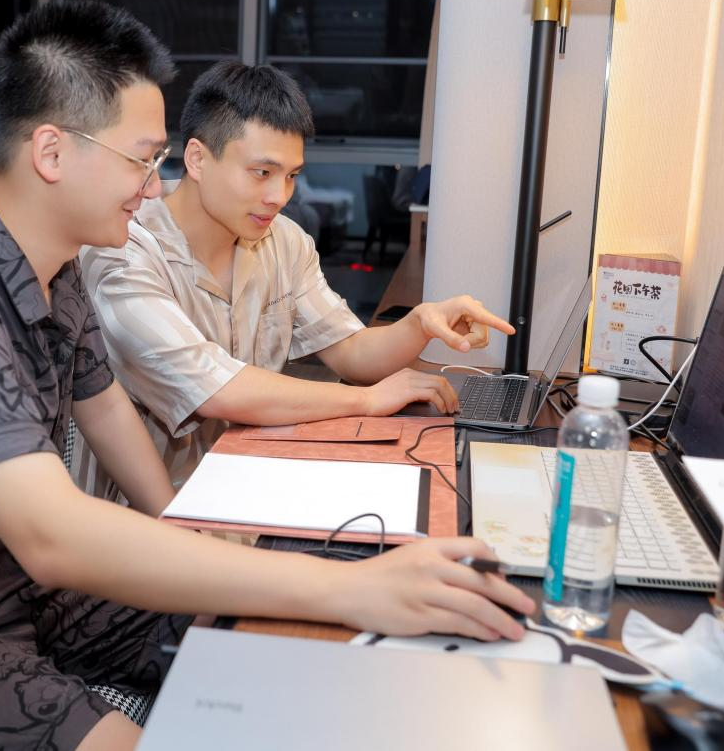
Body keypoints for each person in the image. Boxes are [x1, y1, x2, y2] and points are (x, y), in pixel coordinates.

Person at [0, 1, 533, 751]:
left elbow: (108, 412)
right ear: (52, 152)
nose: (155, 186)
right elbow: (51, 534)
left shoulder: (56, 271)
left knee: (280, 637)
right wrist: (341, 587)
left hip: (7, 585)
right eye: (143, 160)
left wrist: (197, 535)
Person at [79, 61, 515, 491]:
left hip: (251, 481)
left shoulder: (283, 240)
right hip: (143, 512)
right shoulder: (124, 249)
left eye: (291, 177)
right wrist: (366, 400)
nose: (280, 196)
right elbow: (215, 387)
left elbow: (351, 352)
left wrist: (420, 323)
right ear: (197, 158)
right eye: (262, 173)